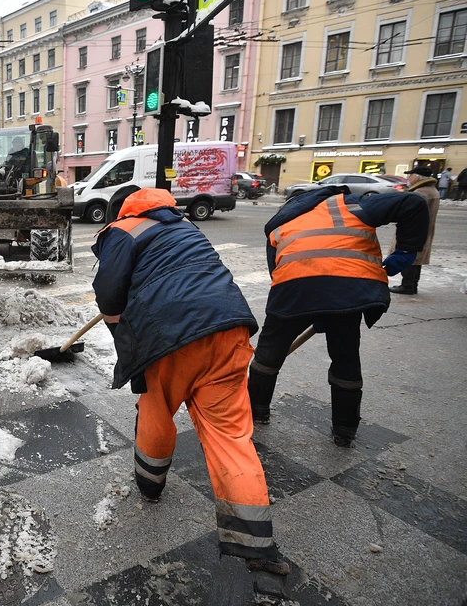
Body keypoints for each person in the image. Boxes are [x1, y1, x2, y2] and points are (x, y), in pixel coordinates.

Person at [92, 188, 290, 589]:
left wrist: (121, 330)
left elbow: (108, 293)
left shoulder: (122, 229)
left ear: (119, 211)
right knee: (231, 436)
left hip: (168, 338)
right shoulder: (185, 225)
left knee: (156, 412)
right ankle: (260, 555)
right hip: (229, 328)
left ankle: (150, 486)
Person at [247, 185, 429, 447]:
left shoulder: (279, 225)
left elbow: (276, 271)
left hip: (294, 290)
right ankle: (345, 430)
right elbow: (412, 203)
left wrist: (309, 304)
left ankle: (256, 410)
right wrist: (407, 250)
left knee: (268, 353)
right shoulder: (348, 204)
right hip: (348, 290)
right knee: (345, 356)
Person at [389, 167, 440, 295]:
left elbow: (408, 211)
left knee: (409, 256)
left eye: (410, 175)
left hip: (413, 229)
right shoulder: (431, 190)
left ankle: (407, 285)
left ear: (417, 177)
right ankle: (411, 285)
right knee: (417, 258)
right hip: (423, 229)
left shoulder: (421, 193)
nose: (408, 178)